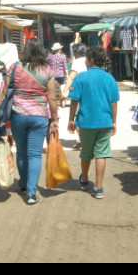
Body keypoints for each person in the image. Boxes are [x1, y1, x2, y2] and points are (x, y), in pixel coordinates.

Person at [0, 38, 59, 205]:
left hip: (18, 115)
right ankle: (31, 192)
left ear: (25, 51)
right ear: (41, 51)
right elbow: (52, 97)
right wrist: (54, 118)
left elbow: (4, 93)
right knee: (35, 154)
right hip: (39, 117)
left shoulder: (15, 67)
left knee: (21, 152)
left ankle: (23, 184)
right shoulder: (47, 71)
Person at [67, 45, 119, 199]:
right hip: (104, 121)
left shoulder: (81, 78)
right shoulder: (109, 78)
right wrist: (114, 121)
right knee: (101, 154)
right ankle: (98, 187)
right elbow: (114, 102)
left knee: (86, 153)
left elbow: (74, 101)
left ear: (90, 60)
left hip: (86, 122)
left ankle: (83, 180)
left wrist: (71, 120)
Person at [63, 42, 87, 149]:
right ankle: (84, 140)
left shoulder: (77, 62)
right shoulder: (88, 60)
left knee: (76, 118)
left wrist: (64, 91)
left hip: (79, 93)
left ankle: (84, 140)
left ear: (76, 52)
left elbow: (71, 77)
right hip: (89, 92)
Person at [47, 42, 68, 107]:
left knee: (53, 89)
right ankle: (61, 102)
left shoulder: (49, 56)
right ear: (59, 49)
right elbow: (65, 67)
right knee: (61, 88)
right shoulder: (63, 56)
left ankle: (54, 101)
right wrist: (67, 75)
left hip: (52, 75)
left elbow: (47, 65)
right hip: (61, 75)